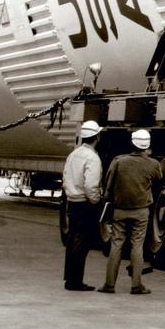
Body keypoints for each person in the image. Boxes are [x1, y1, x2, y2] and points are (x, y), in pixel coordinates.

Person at [99, 129, 161, 295]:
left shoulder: (118, 161)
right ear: (147, 146)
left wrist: (107, 205)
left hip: (119, 211)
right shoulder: (153, 164)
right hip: (141, 211)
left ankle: (109, 284)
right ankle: (136, 285)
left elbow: (108, 187)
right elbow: (158, 181)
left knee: (116, 245)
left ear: (132, 143)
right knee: (137, 246)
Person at [61, 120, 103, 291]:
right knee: (81, 242)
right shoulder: (92, 158)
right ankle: (75, 281)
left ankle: (70, 278)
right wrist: (96, 201)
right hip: (84, 204)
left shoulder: (74, 154)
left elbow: (65, 178)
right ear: (97, 137)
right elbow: (91, 185)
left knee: (72, 241)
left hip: (72, 201)